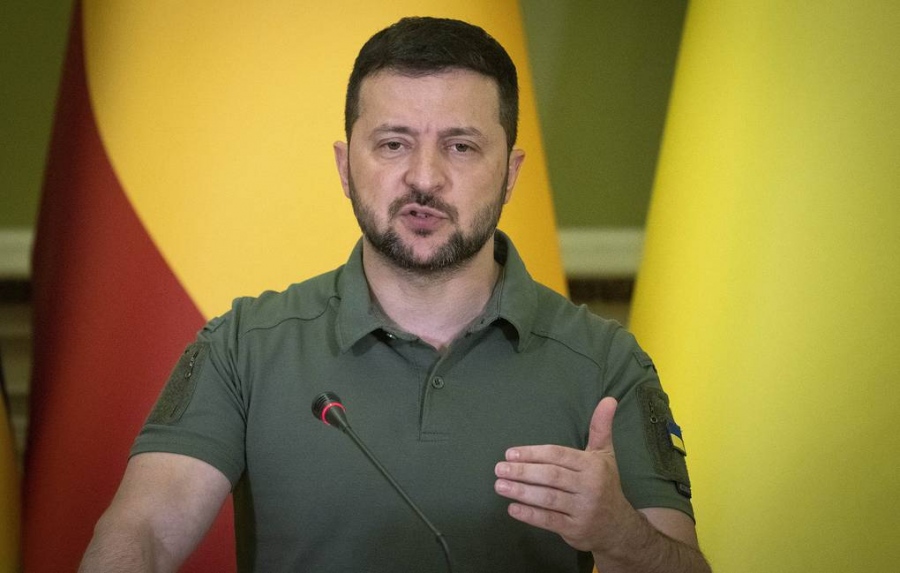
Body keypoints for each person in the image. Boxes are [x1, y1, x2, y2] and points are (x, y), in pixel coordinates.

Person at [80, 16, 711, 573]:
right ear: (344, 166)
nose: (424, 177)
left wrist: (619, 535)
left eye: (461, 146)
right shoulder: (242, 345)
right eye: (393, 144)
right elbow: (144, 532)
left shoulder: (606, 362)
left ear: (510, 173)